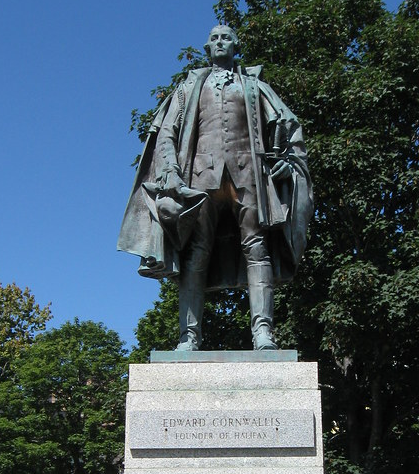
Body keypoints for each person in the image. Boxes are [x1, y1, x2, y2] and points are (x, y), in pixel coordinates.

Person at [118, 25, 313, 351]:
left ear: (236, 46)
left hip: (247, 176)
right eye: (215, 38)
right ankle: (188, 337)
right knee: (197, 251)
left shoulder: (255, 87)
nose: (220, 41)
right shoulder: (188, 89)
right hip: (200, 178)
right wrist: (170, 170)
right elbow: (167, 132)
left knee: (257, 248)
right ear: (207, 47)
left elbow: (288, 127)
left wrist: (287, 162)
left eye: (227, 37)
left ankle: (263, 333)